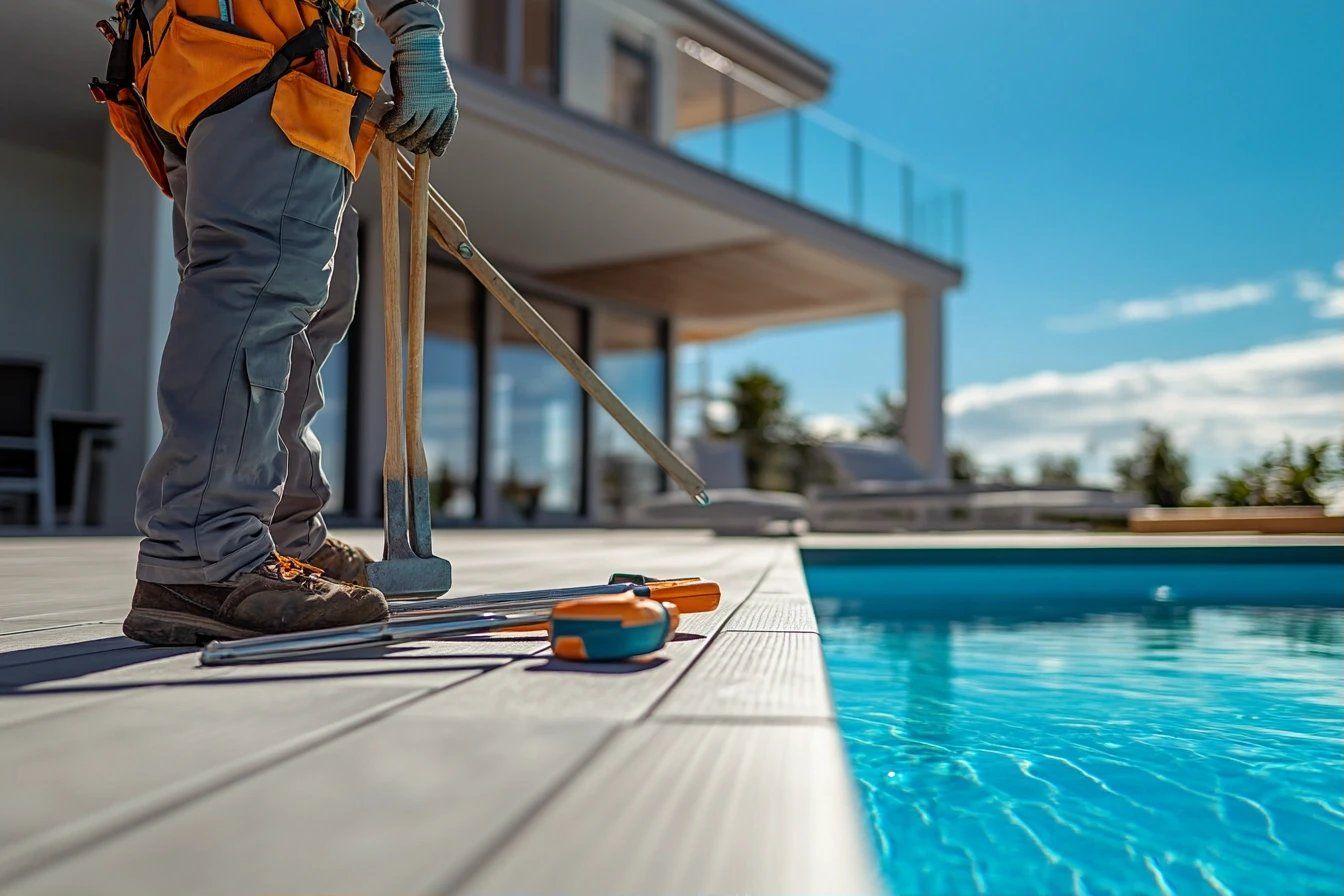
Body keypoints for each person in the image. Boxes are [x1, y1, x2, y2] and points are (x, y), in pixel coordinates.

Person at [92, 0, 458, 646]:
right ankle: (205, 551)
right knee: (258, 289)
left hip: (231, 53)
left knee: (306, 306)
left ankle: (280, 534)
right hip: (259, 48)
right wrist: (416, 28)